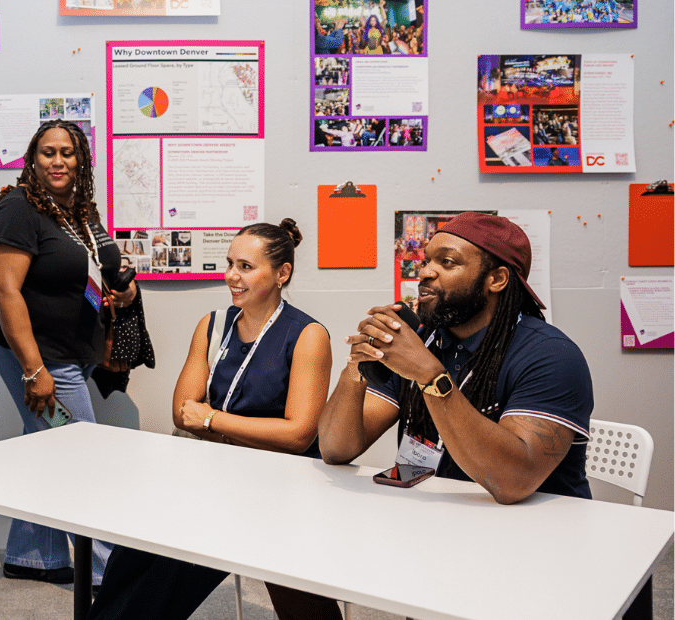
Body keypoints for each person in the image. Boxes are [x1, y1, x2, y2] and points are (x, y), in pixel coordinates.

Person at [88, 220, 343, 620]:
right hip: (214, 476)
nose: (231, 276)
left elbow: (297, 434)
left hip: (275, 490)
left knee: (165, 582)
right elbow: (182, 411)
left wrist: (212, 420)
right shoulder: (213, 324)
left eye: (245, 266)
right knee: (128, 559)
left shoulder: (308, 335)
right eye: (229, 263)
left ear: (282, 273)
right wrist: (217, 423)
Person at [318, 212, 594, 505]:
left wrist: (430, 377)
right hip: (439, 521)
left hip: (538, 532)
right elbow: (336, 449)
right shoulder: (422, 340)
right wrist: (358, 365)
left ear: (496, 279)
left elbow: (514, 482)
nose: (424, 272)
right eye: (427, 261)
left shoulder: (551, 356)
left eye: (447, 262)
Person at [0, 120, 135, 586]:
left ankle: (34, 555)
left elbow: (98, 269)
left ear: (81, 159)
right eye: (48, 152)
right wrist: (34, 371)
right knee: (81, 454)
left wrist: (122, 294)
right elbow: (6, 292)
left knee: (48, 448)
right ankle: (108, 571)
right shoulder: (16, 209)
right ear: (32, 158)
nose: (58, 161)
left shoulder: (79, 208)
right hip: (41, 356)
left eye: (68, 152)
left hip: (75, 349)